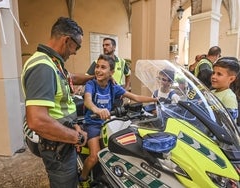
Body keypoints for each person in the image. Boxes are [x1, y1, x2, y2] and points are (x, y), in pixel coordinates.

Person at [21, 17, 94, 188]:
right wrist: (76, 137)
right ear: (67, 40)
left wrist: (94, 78)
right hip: (57, 147)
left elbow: (70, 78)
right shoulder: (43, 67)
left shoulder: (53, 63)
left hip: (62, 140)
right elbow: (37, 120)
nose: (75, 52)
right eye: (77, 47)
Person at [78, 54, 158, 187]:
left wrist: (156, 100)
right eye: (97, 66)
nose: (98, 70)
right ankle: (83, 178)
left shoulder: (112, 87)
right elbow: (87, 101)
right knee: (94, 156)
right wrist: (97, 110)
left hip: (108, 123)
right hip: (93, 124)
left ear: (112, 72)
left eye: (103, 67)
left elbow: (136, 97)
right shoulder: (91, 84)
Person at [211, 57, 240, 122]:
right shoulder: (211, 92)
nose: (213, 76)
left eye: (219, 74)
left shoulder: (229, 97)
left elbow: (228, 123)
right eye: (213, 73)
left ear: (231, 79)